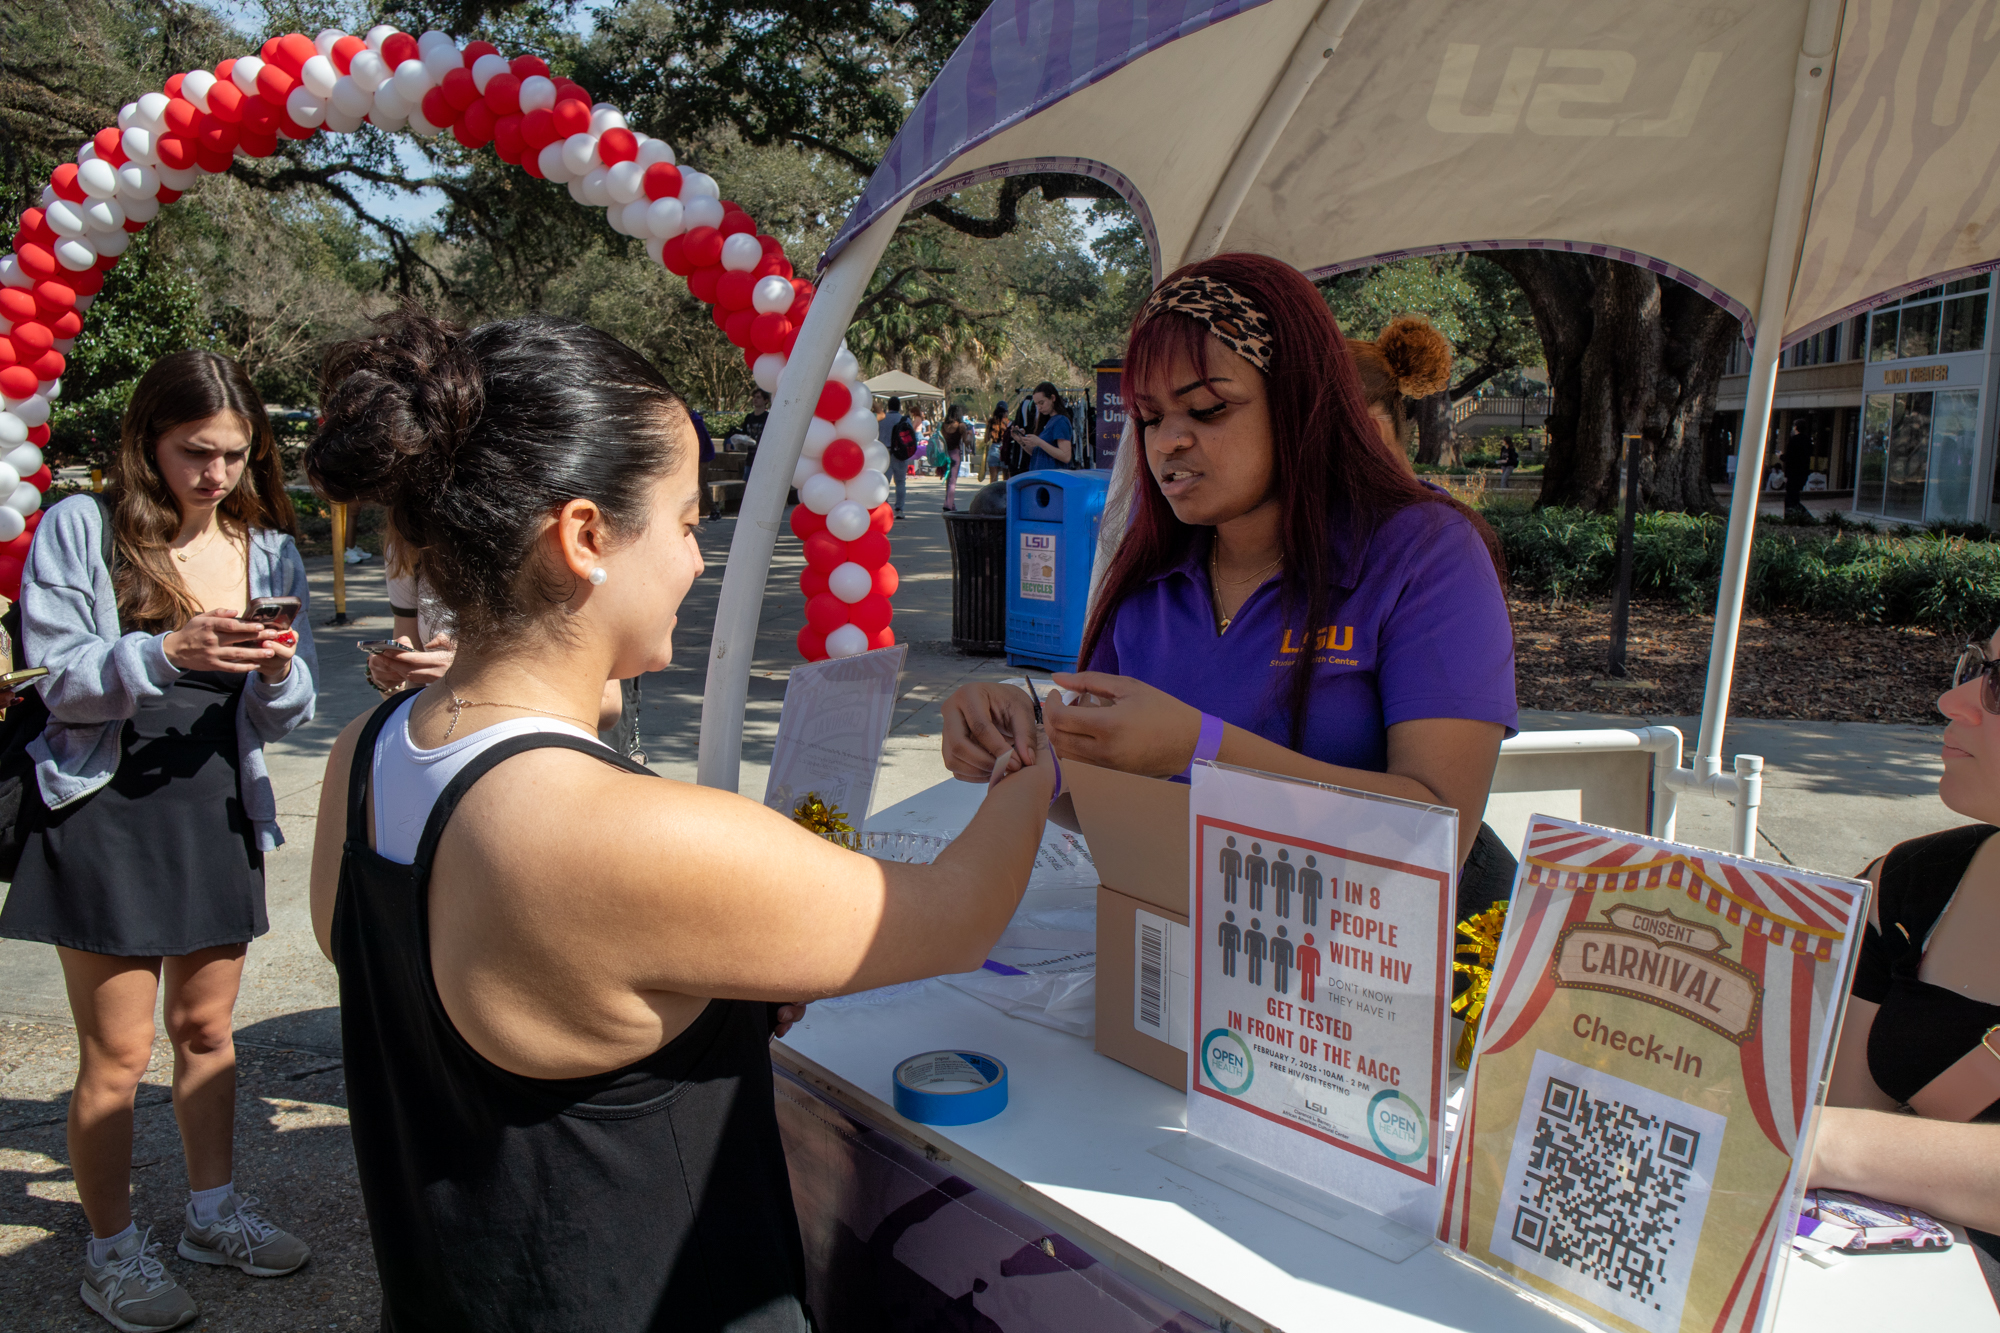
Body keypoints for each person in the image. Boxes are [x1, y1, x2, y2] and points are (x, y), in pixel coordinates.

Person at [305, 308, 1055, 1332]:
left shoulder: (368, 751)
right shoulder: (628, 833)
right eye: (686, 520)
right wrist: (1035, 743)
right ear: (581, 538)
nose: (697, 560)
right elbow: (959, 913)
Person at [942, 254, 1516, 917]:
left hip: (1398, 979)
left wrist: (1203, 747)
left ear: (1300, 402)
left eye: (1208, 408)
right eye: (1150, 417)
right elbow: (1098, 794)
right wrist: (1024, 749)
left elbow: (1437, 833)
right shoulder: (1149, 579)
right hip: (1204, 967)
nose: (1169, 443)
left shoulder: (1424, 553)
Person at [0, 350, 318, 1331]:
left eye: (233, 454)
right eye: (195, 452)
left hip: (216, 803)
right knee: (118, 1049)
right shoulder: (81, 530)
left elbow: (288, 709)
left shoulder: (267, 550)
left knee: (207, 1032)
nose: (215, 474)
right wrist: (168, 648)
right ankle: (109, 1250)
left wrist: (272, 673)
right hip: (103, 810)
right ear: (148, 441)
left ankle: (211, 1214)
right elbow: (58, 680)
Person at [1812, 630, 2000, 1295]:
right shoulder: (1910, 881)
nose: (1953, 699)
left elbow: (1834, 1136)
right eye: (1975, 668)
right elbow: (1848, 1115)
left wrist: (1826, 1142)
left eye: (1998, 687)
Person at [1011, 382, 1075, 471]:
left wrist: (1039, 442)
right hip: (1041, 477)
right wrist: (1022, 441)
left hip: (1052, 479)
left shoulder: (1061, 421)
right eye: (1036, 404)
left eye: (1041, 403)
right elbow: (1037, 453)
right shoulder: (1048, 421)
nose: (1039, 407)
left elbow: (1066, 456)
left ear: (1053, 398)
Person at [877, 395, 915, 516]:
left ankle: (884, 506)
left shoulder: (882, 418)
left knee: (884, 482)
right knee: (900, 482)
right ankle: (899, 509)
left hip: (884, 452)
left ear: (888, 406)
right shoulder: (904, 420)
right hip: (900, 453)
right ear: (899, 407)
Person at [939, 404, 969, 511]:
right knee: (953, 481)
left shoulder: (943, 426)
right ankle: (948, 504)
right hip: (955, 453)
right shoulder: (961, 426)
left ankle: (950, 503)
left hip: (945, 454)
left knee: (948, 480)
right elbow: (966, 442)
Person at [1783, 419, 1813, 519]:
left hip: (1793, 473)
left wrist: (1781, 457)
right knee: (1794, 497)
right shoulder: (1807, 441)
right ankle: (1798, 517)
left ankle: (1801, 517)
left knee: (1790, 499)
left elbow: (1789, 458)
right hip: (1803, 473)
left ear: (1796, 427)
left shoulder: (1794, 440)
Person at [984, 401, 1014, 481]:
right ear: (1006, 412)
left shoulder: (991, 422)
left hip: (993, 450)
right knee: (1006, 479)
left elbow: (986, 439)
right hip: (1005, 450)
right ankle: (1005, 494)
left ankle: (994, 493)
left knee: (993, 480)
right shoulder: (1009, 423)